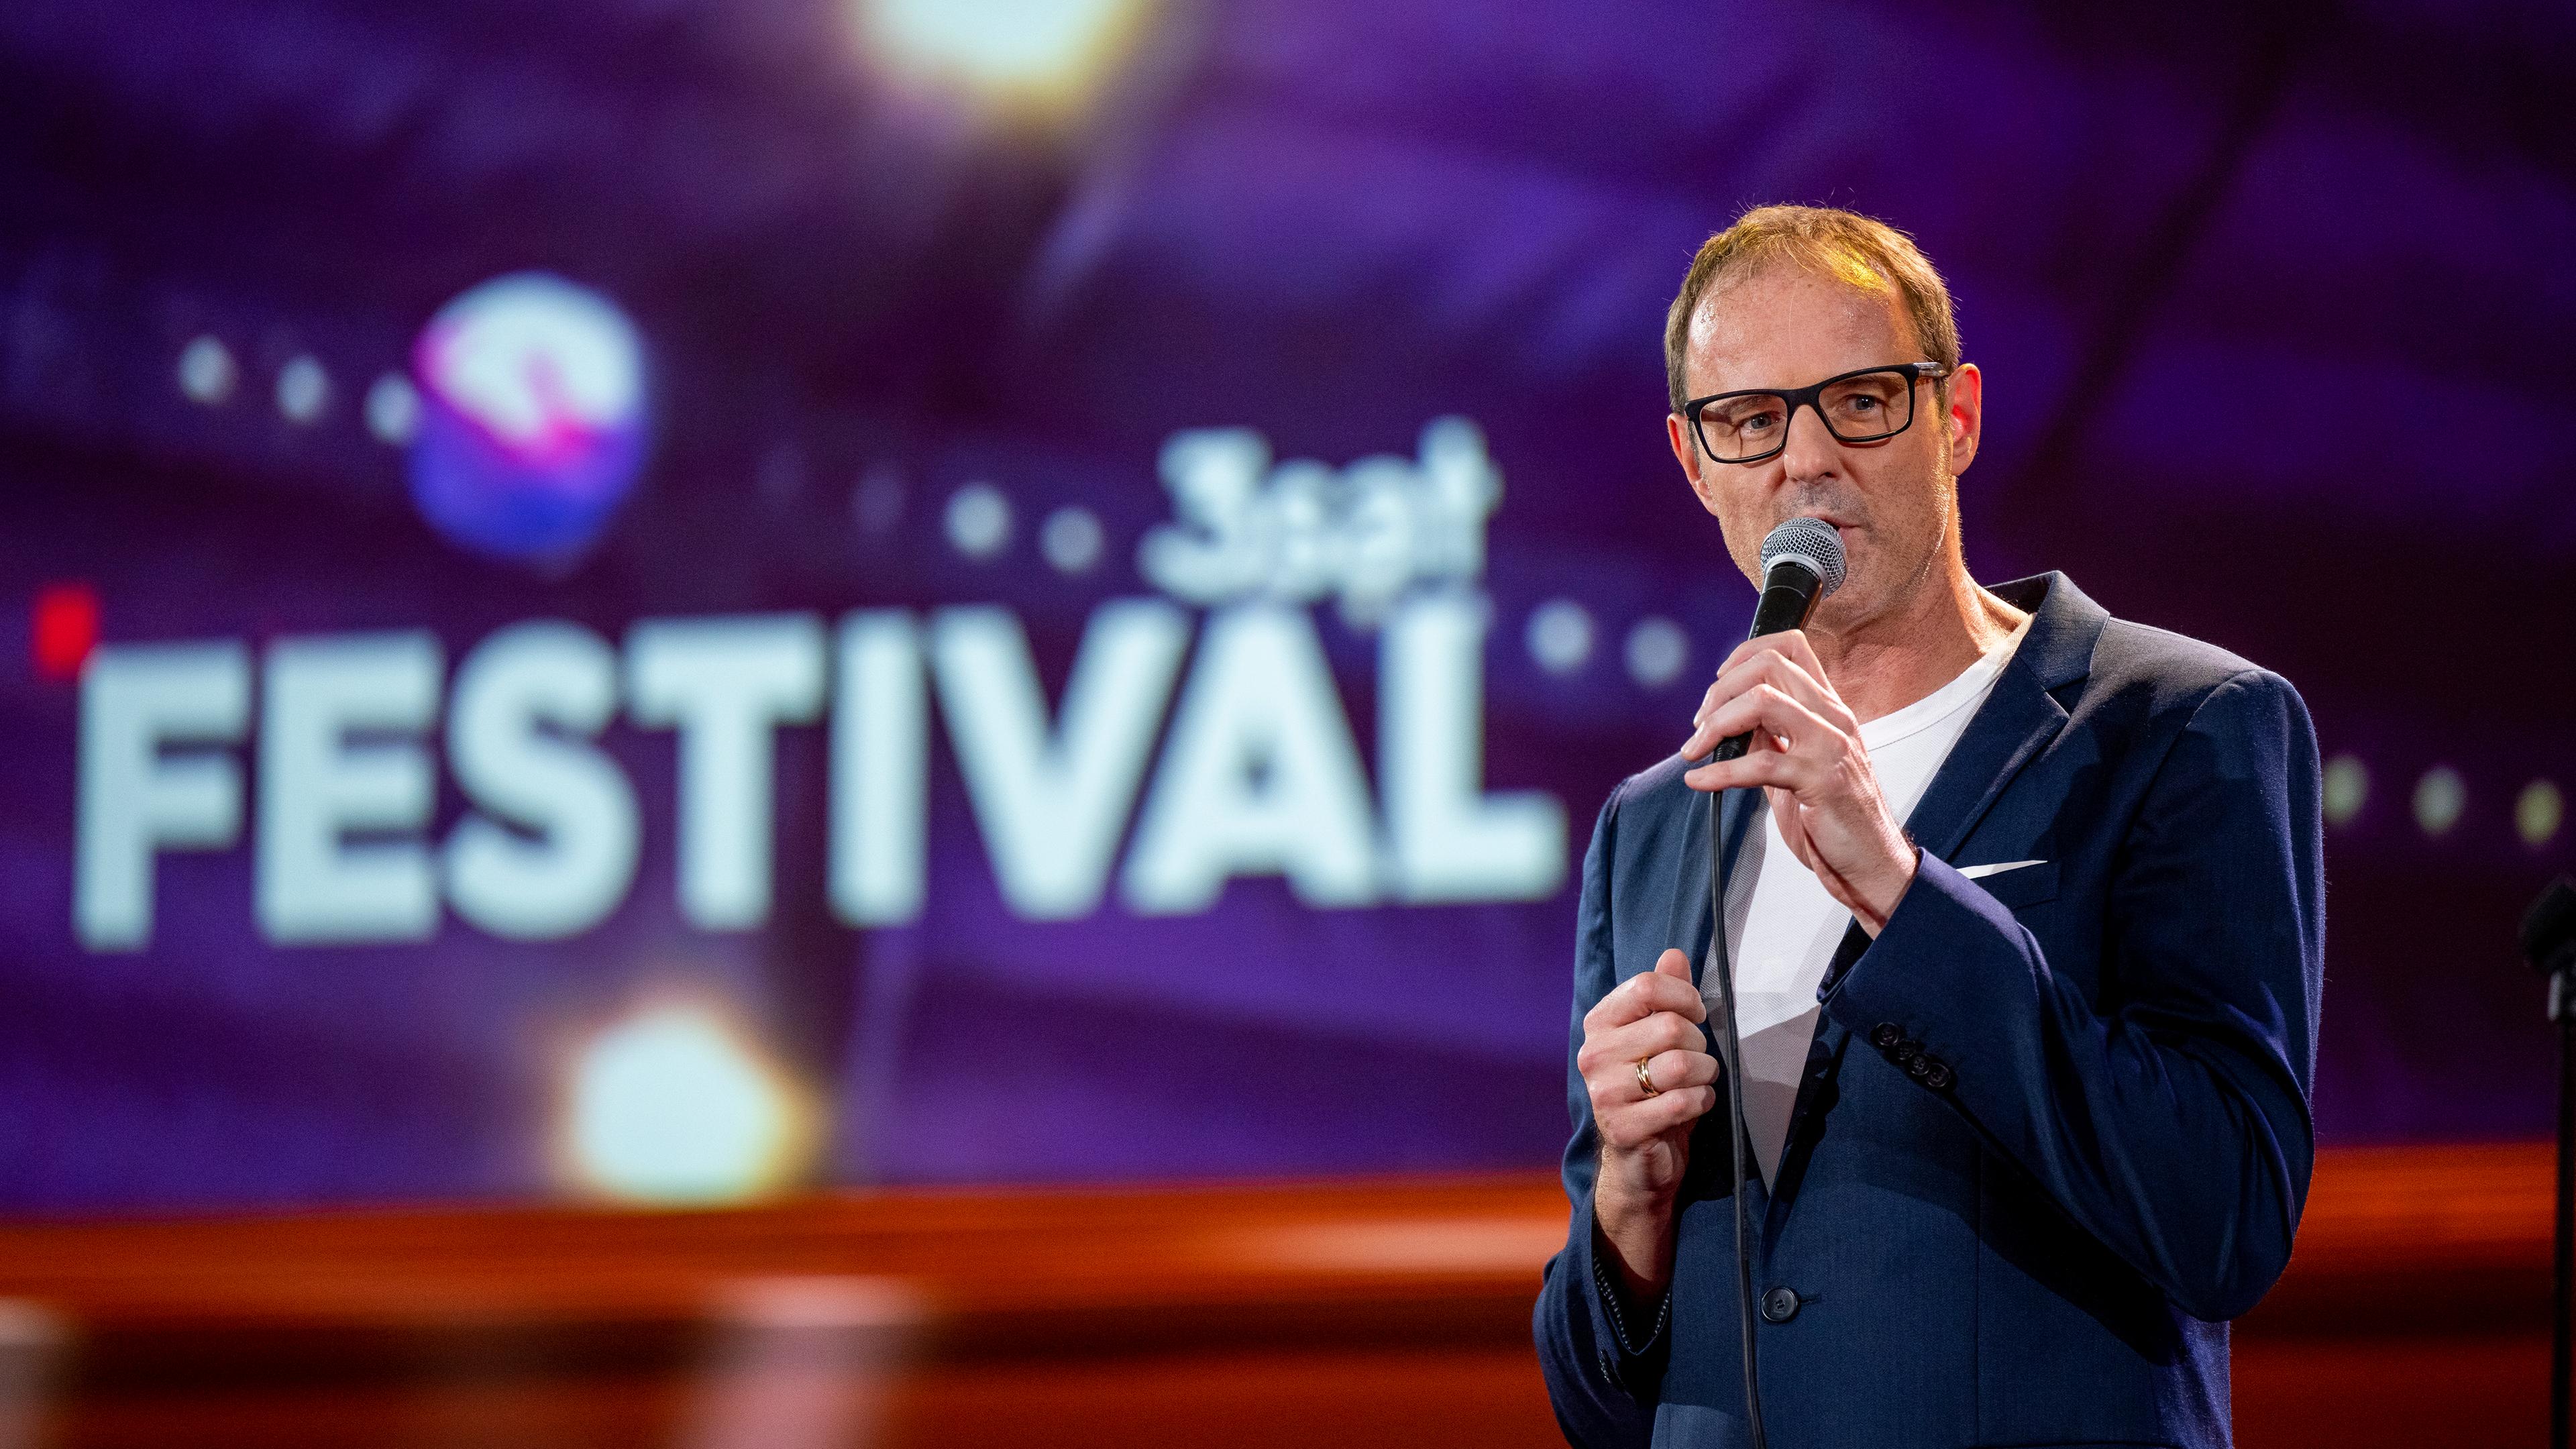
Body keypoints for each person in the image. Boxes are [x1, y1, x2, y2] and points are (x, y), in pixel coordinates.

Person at [1532, 205, 2325, 1449]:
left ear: (1954, 417)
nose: (1805, 460)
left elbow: (2224, 1221)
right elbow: (1602, 1407)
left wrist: (1902, 890)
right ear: (1695, 462)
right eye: (1751, 420)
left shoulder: (2179, 725)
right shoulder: (1655, 822)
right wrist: (1630, 1209)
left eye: (1859, 401)